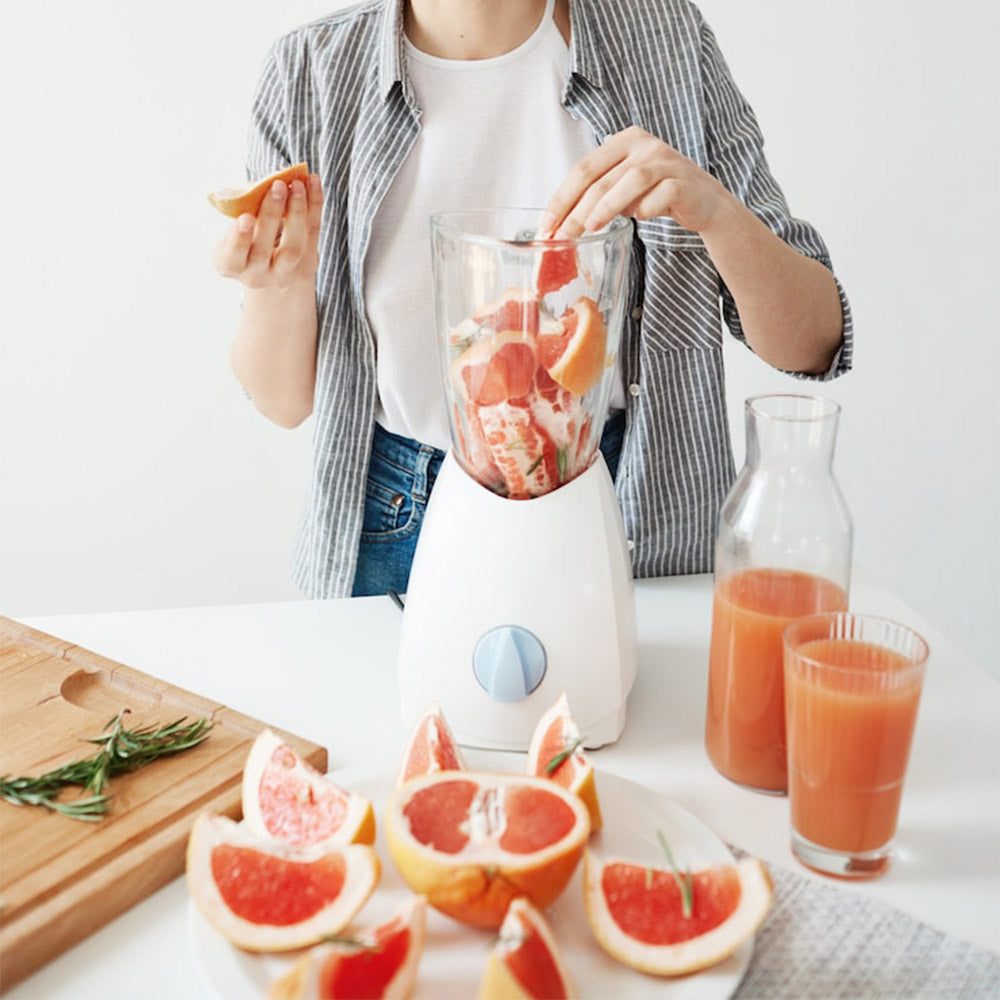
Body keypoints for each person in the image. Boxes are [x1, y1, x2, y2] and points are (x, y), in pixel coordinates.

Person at [214, 0, 852, 599]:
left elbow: (814, 342)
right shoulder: (312, 70)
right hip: (395, 522)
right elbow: (284, 400)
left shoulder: (668, 38)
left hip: (632, 509)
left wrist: (715, 212)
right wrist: (275, 285)